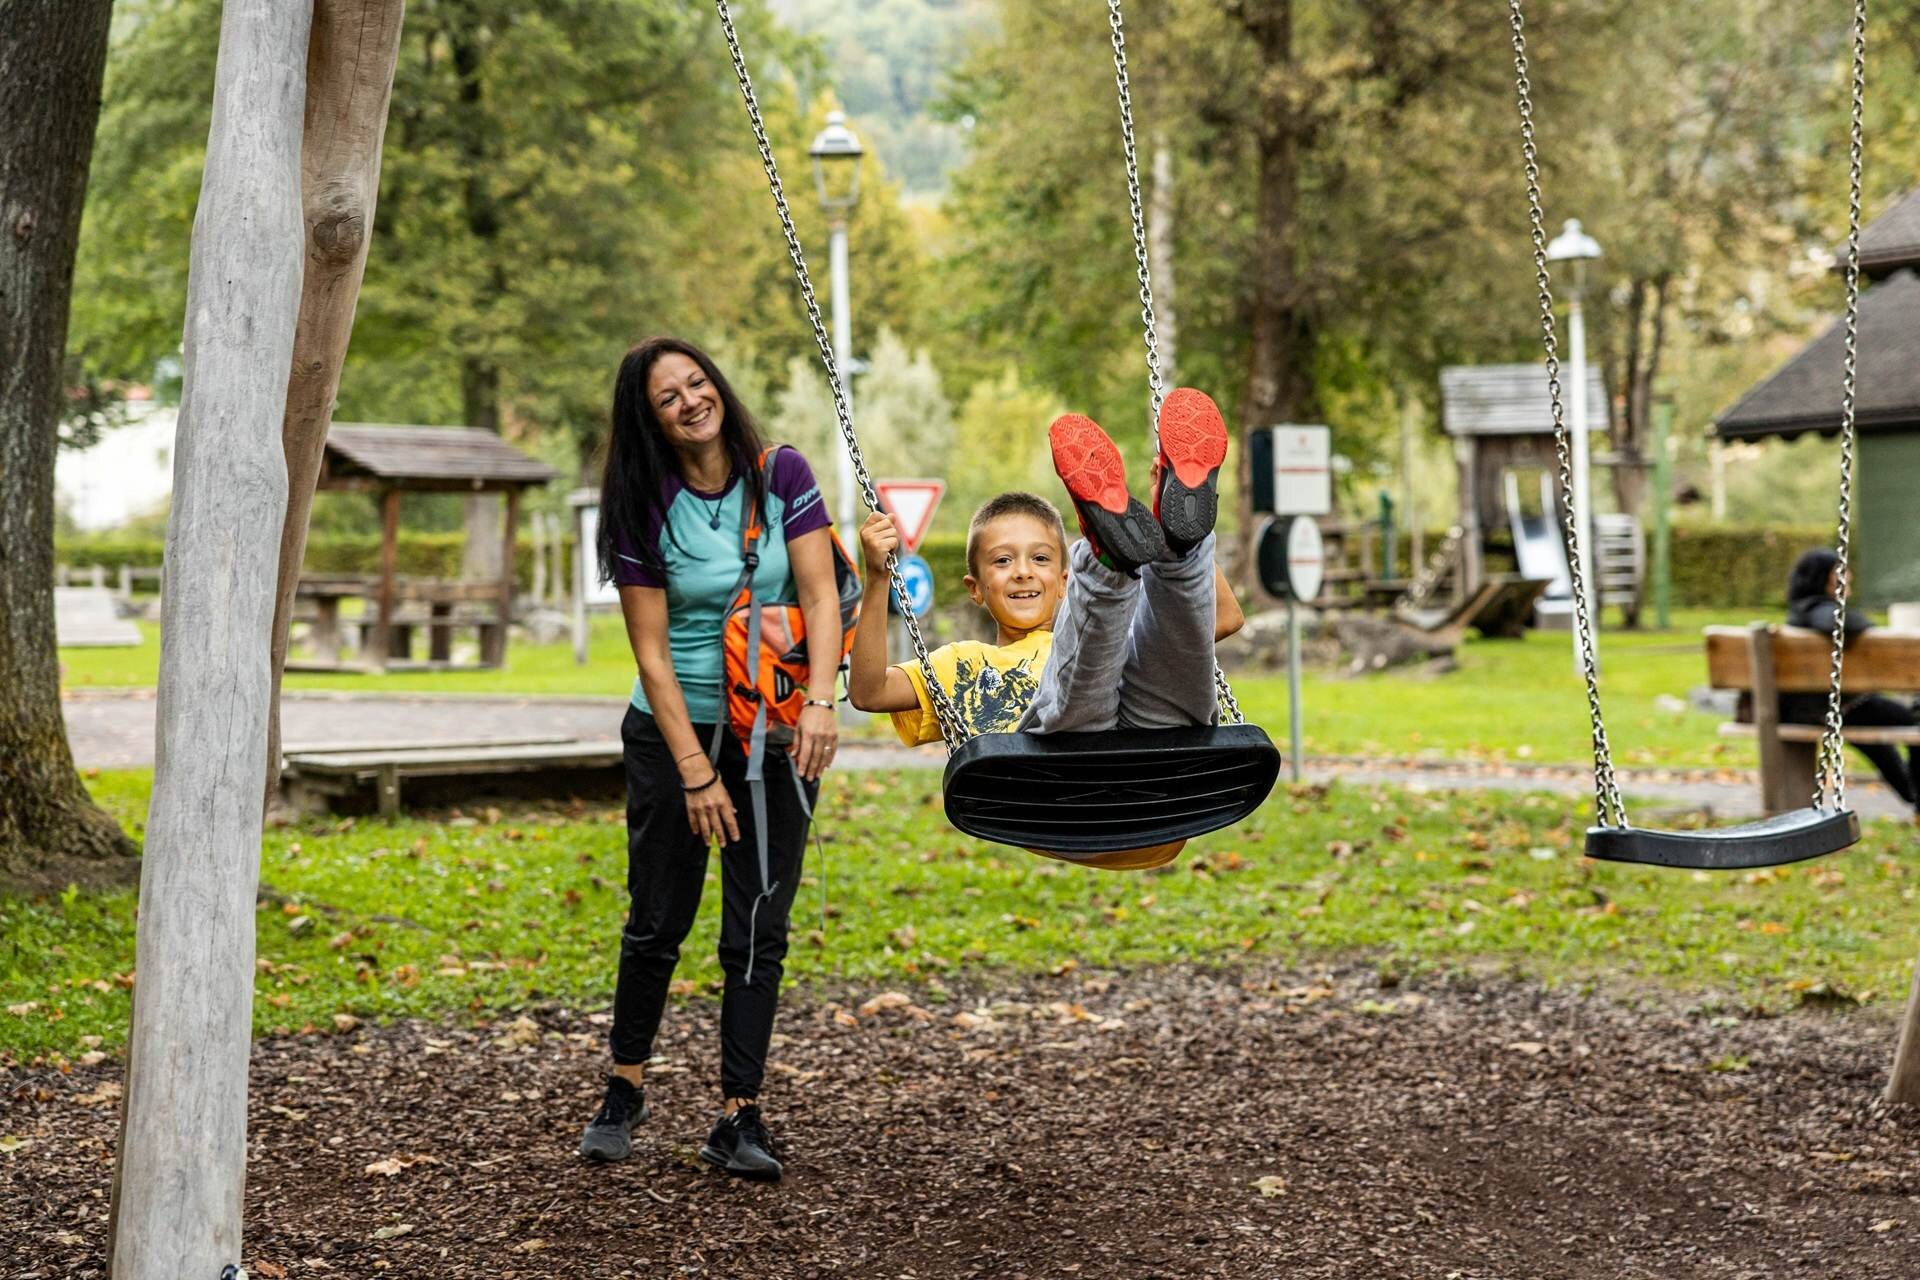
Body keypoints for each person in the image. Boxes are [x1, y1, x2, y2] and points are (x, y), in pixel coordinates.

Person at [576, 337, 843, 1181]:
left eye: (697, 383)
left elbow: (820, 595)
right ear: (648, 419)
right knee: (659, 918)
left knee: (759, 923)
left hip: (775, 727)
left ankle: (739, 1111)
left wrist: (822, 701)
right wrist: (694, 772)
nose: (691, 401)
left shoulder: (781, 473)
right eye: (669, 397)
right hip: (675, 730)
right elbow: (652, 656)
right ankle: (624, 1087)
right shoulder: (642, 503)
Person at [848, 387, 1245, 869]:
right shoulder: (961, 665)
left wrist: (1169, 516)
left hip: (1160, 780)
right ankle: (1108, 564)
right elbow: (868, 692)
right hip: (1053, 794)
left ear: (1062, 581)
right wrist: (877, 580)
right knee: (1075, 693)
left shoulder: (1109, 635)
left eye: (1039, 558)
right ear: (975, 589)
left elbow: (1220, 620)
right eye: (1002, 561)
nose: (1022, 572)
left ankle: (1177, 550)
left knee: (1160, 659)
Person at [1780, 547, 1918, 817]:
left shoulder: (1799, 612)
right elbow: (1844, 622)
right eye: (1839, 572)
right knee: (1912, 723)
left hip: (1814, 708)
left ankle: (1913, 798)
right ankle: (1915, 799)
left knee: (1884, 745)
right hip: (1837, 708)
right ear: (1825, 578)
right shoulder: (1818, 611)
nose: (1848, 576)